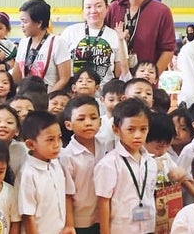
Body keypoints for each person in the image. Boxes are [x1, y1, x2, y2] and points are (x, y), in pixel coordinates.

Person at [94, 98, 157, 234]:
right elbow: (104, 202)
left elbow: (150, 194)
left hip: (147, 227)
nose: (138, 135)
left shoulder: (150, 161)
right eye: (131, 129)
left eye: (143, 129)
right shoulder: (109, 163)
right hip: (121, 229)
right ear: (116, 130)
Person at [104, 0, 176, 75]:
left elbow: (168, 49)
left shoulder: (162, 11)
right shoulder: (113, 8)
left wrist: (153, 76)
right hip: (114, 81)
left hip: (145, 82)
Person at [60, 96, 113, 233]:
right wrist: (70, 225)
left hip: (106, 216)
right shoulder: (67, 155)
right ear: (68, 125)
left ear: (100, 122)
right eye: (81, 119)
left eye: (93, 118)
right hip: (80, 221)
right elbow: (67, 195)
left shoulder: (106, 146)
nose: (88, 123)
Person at [15, 111, 72, 234]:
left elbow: (65, 196)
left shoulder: (56, 163)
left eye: (59, 137)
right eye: (50, 140)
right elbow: (28, 215)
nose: (57, 144)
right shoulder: (28, 174)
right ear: (31, 144)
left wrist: (68, 226)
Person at [61, 0, 130, 87]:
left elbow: (119, 73)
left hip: (104, 96)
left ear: (107, 8)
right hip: (74, 94)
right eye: (88, 7)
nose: (93, 10)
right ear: (83, 11)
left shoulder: (115, 36)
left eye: (98, 6)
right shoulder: (70, 32)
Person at [12, 0, 71, 92]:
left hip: (48, 101)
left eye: (25, 21)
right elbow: (16, 77)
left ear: (39, 23)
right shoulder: (23, 43)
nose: (21, 25)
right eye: (21, 21)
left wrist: (47, 99)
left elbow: (64, 79)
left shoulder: (57, 42)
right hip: (25, 100)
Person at [97, 79, 125, 145]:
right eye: (111, 100)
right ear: (102, 99)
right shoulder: (99, 122)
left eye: (120, 100)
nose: (116, 104)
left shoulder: (128, 121)